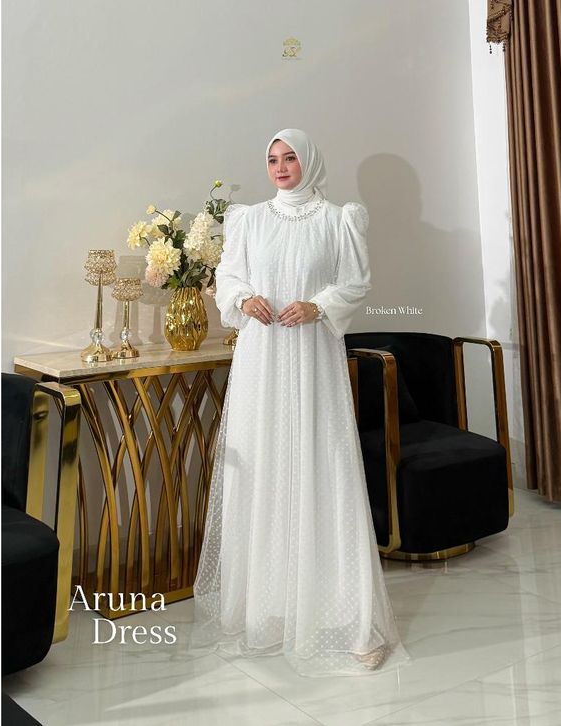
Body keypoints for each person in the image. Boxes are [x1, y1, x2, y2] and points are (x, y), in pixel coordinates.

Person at [188, 128, 411, 677]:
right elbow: (228, 277)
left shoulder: (339, 219)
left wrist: (318, 306)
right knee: (266, 471)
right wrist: (244, 298)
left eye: (290, 158)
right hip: (262, 362)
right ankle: (270, 609)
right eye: (272, 159)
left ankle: (352, 621)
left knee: (323, 471)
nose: (281, 167)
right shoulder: (248, 220)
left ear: (309, 161)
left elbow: (355, 282)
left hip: (313, 360)